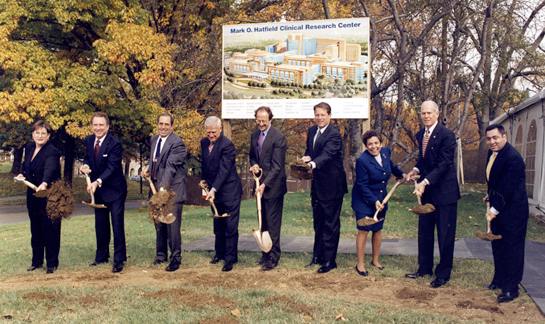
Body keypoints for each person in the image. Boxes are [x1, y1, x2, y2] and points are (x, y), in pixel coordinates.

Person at [405, 100, 460, 288]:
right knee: (425, 231)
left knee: (445, 234)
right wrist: (414, 170)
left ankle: (443, 274)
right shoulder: (421, 134)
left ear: (437, 114)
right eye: (423, 113)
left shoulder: (447, 135)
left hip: (445, 193)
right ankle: (424, 268)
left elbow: (444, 164)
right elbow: (424, 160)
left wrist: (424, 182)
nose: (426, 116)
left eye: (429, 113)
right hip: (427, 192)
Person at [483, 124, 529, 302]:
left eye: (495, 138)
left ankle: (511, 289)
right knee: (498, 247)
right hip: (499, 208)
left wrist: (493, 210)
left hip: (513, 213)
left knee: (512, 250)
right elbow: (495, 181)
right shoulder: (492, 153)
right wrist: (489, 195)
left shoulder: (513, 158)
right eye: (488, 139)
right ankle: (499, 280)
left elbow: (507, 188)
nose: (492, 142)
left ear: (504, 137)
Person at [352, 130, 406, 276]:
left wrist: (401, 175)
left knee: (377, 229)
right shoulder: (362, 161)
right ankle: (360, 264)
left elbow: (392, 166)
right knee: (363, 230)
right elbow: (362, 185)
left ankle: (375, 260)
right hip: (364, 199)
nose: (373, 146)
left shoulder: (386, 152)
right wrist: (373, 201)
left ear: (381, 143)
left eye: (376, 143)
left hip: (381, 198)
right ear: (365, 146)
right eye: (370, 144)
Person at [302, 102, 348, 273]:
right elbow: (311, 150)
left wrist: (312, 164)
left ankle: (329, 261)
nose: (319, 118)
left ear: (329, 115)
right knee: (319, 222)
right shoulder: (312, 131)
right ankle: (317, 256)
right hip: (317, 185)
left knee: (331, 223)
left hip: (332, 185)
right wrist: (306, 158)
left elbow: (327, 154)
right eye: (317, 115)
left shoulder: (334, 134)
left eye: (322, 115)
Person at [79, 112, 127, 273]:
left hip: (115, 190)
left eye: (101, 125)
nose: (98, 128)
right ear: (92, 126)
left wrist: (97, 181)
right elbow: (88, 158)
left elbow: (112, 168)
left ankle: (119, 259)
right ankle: (101, 256)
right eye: (95, 125)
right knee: (100, 224)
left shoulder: (115, 144)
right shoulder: (88, 140)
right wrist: (85, 167)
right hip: (98, 191)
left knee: (117, 224)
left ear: (107, 126)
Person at [141, 113, 187, 272]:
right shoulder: (154, 139)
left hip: (172, 190)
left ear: (172, 126)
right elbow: (155, 160)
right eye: (161, 124)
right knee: (159, 223)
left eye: (167, 124)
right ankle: (161, 256)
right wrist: (147, 169)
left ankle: (175, 259)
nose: (163, 127)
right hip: (156, 189)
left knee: (172, 226)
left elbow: (170, 167)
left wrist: (162, 190)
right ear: (157, 124)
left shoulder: (178, 143)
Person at [17, 121, 61, 274]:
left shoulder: (52, 151)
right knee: (35, 229)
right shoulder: (29, 148)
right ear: (33, 134)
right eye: (37, 132)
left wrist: (44, 183)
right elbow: (25, 165)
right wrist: (22, 174)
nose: (40, 136)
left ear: (48, 135)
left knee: (50, 229)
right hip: (33, 196)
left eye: (44, 133)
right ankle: (36, 262)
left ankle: (51, 264)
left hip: (50, 196)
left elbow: (50, 168)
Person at [200, 116, 243, 272]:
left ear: (220, 130)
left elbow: (224, 170)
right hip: (214, 192)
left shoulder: (228, 145)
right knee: (218, 224)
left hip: (230, 191)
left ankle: (230, 259)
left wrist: (214, 189)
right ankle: (219, 253)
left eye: (214, 132)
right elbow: (205, 163)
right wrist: (204, 180)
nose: (211, 135)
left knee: (230, 226)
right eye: (208, 132)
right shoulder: (204, 143)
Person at [249, 107, 287, 271]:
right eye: (258, 120)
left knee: (272, 223)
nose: (261, 123)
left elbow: (277, 167)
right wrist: (254, 165)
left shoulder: (278, 137)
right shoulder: (254, 135)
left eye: (264, 120)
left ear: (271, 119)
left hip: (273, 186)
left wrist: (265, 184)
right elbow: (252, 156)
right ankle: (265, 253)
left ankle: (274, 256)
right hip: (260, 186)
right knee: (262, 220)